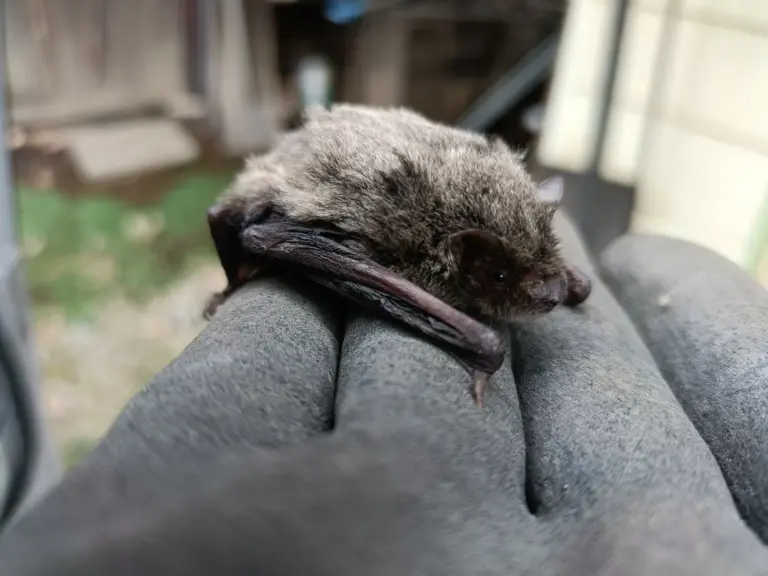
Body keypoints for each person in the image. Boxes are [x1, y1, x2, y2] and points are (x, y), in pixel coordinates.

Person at [1, 214, 767, 575]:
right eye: (506, 277)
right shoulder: (407, 247)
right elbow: (258, 223)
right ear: (462, 262)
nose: (540, 293)